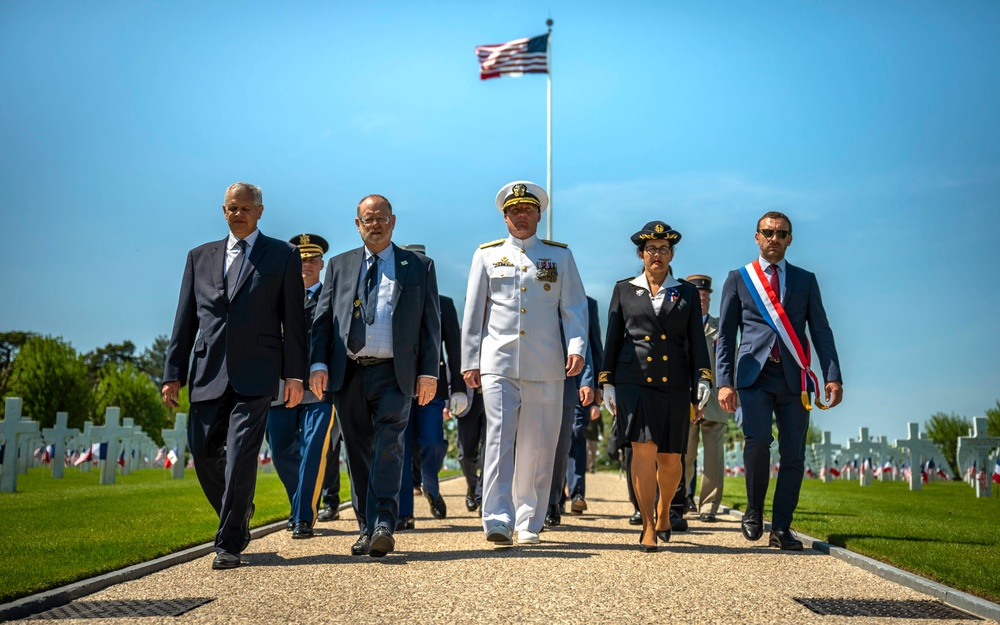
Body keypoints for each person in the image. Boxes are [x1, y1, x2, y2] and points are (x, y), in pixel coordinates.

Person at [162, 182, 307, 570]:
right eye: (231, 208)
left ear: (260, 211)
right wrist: (172, 373)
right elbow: (184, 319)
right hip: (207, 371)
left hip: (257, 372)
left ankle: (228, 542)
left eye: (245, 208)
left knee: (241, 455)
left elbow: (294, 321)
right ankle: (239, 510)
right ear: (222, 211)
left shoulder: (283, 255)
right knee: (204, 452)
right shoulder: (199, 257)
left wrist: (295, 375)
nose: (238, 214)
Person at [309, 194, 441, 558]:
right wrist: (317, 364)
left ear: (393, 221)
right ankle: (366, 527)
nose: (375, 224)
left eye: (381, 217)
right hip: (348, 372)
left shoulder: (418, 266)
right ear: (358, 224)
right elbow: (322, 322)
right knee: (357, 452)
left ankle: (384, 522)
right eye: (368, 219)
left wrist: (429, 374)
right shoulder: (338, 265)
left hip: (394, 374)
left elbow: (431, 326)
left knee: (389, 447)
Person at [461, 180, 588, 547]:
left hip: (547, 362)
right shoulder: (486, 255)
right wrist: (470, 359)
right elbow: (473, 313)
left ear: (538, 215)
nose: (521, 216)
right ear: (504, 217)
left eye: (527, 210)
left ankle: (529, 521)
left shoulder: (560, 257)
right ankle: (497, 518)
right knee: (499, 438)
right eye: (514, 211)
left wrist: (576, 345)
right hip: (497, 360)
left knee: (539, 443)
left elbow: (575, 308)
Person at [717, 211, 843, 551]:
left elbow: (820, 330)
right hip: (753, 376)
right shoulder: (739, 278)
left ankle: (782, 527)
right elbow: (726, 336)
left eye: (782, 233)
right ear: (756, 237)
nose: (774, 238)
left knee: (794, 455)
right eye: (768, 232)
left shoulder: (805, 280)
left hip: (794, 379)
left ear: (790, 239)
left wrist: (832, 375)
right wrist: (724, 381)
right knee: (757, 442)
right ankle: (754, 511)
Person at [600, 221, 711, 552]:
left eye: (664, 249)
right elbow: (613, 338)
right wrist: (607, 382)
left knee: (671, 459)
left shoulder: (686, 292)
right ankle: (648, 523)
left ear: (671, 253)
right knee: (642, 450)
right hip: (634, 382)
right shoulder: (624, 289)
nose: (657, 255)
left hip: (675, 382)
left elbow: (696, 341)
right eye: (651, 250)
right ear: (641, 254)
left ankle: (665, 511)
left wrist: (702, 377)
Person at [266, 234, 339, 539]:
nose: (306, 264)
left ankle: (303, 517)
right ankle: (300, 505)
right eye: (300, 259)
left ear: (321, 263)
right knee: (282, 453)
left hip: (320, 390)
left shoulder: (334, 297)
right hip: (281, 387)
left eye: (312, 259)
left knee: (313, 452)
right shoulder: (275, 296)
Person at [395, 243, 469, 530]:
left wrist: (459, 388)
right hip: (399, 385)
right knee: (399, 447)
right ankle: (404, 512)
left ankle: (431, 484)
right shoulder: (395, 300)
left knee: (432, 442)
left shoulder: (444, 304)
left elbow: (454, 348)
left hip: (433, 387)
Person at [683, 274, 730, 522]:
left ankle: (709, 507)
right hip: (686, 401)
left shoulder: (720, 328)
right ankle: (679, 501)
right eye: (698, 296)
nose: (702, 300)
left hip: (714, 403)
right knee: (684, 457)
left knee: (713, 458)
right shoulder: (679, 325)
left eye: (705, 297)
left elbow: (729, 362)